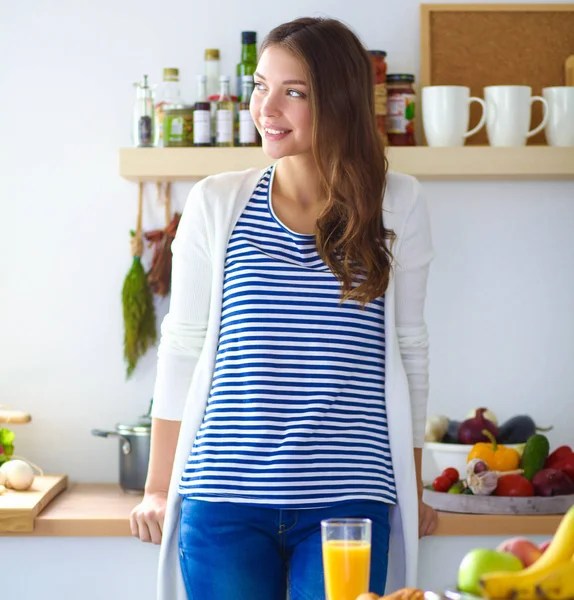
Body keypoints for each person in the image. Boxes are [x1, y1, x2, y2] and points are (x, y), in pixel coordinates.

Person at [130, 16, 437, 600]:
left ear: (341, 102)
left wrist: (411, 486)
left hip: (349, 500)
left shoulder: (397, 205)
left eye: (294, 92)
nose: (266, 107)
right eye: (260, 86)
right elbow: (183, 345)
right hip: (223, 499)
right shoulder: (217, 203)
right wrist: (156, 487)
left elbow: (410, 352)